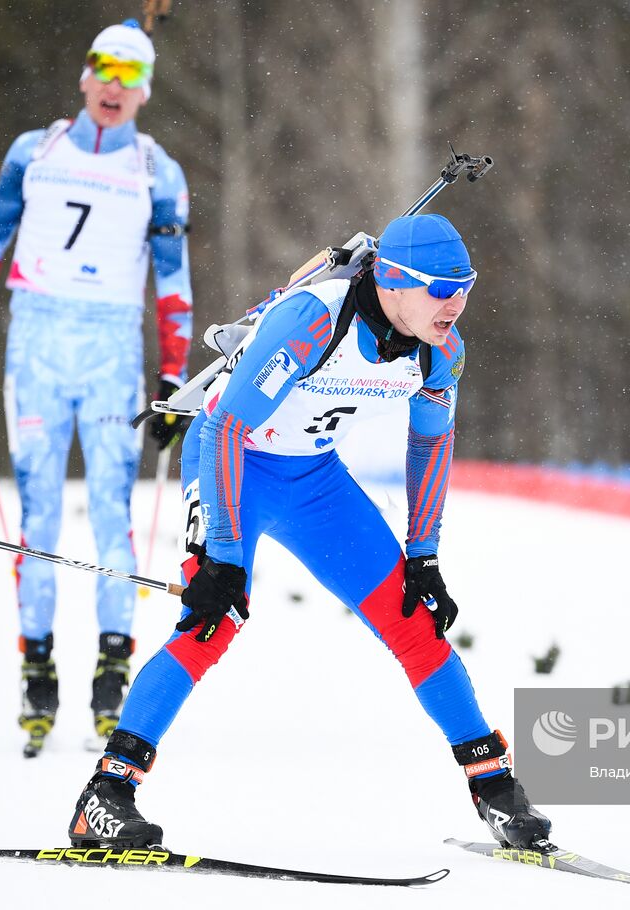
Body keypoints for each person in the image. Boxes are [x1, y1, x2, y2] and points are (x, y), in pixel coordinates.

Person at [65, 213, 552, 851]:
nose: (456, 304)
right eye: (441, 289)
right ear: (396, 282)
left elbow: (431, 443)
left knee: (412, 619)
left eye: (466, 287)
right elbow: (223, 430)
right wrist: (225, 557)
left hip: (314, 480)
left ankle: (494, 790)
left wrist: (424, 555)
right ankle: (105, 795)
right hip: (230, 467)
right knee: (215, 620)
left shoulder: (441, 349)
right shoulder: (314, 320)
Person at [0, 20, 194, 757]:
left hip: (112, 348)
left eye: (130, 75)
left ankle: (113, 670)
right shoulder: (35, 152)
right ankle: (37, 667)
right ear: (83, 77)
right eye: (103, 70)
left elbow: (173, 285)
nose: (113, 87)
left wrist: (174, 374)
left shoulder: (158, 171)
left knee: (114, 512)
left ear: (145, 90)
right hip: (40, 343)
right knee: (40, 513)